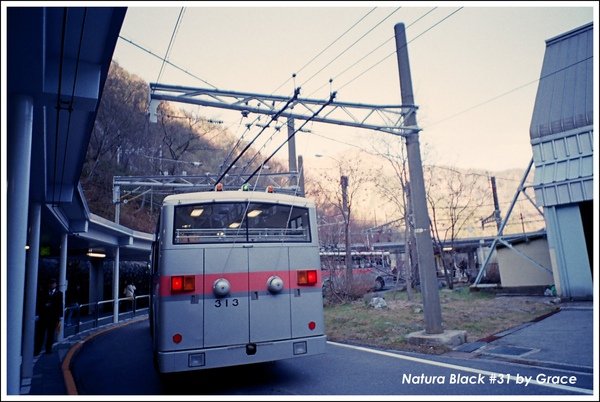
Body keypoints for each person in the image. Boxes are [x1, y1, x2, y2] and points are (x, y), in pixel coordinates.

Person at [34, 278, 63, 355]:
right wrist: (39, 313)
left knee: (51, 333)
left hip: (53, 316)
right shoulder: (43, 292)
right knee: (40, 334)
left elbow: (60, 305)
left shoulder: (59, 293)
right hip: (43, 316)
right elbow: (40, 303)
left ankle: (48, 349)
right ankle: (37, 350)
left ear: (55, 284)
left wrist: (60, 316)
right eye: (50, 283)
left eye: (53, 283)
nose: (52, 285)